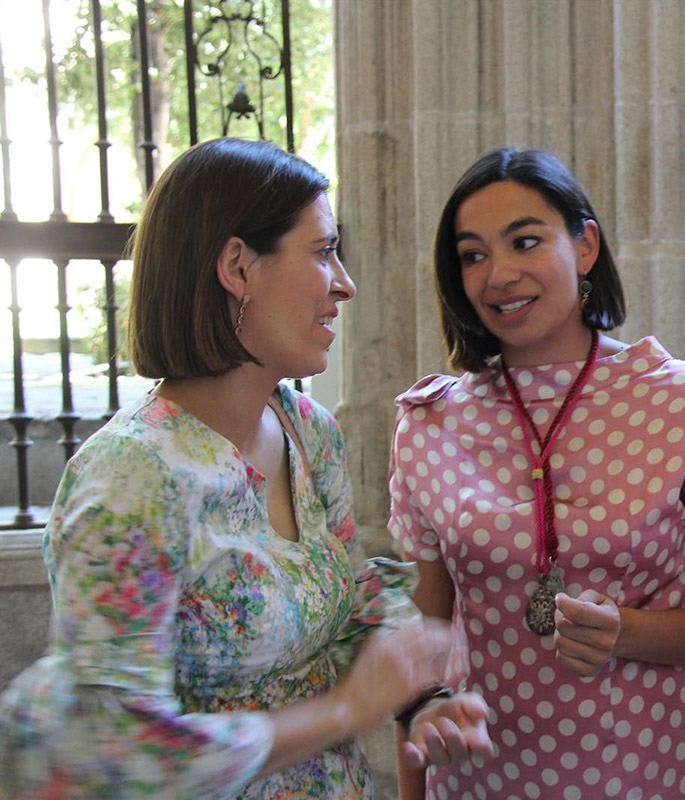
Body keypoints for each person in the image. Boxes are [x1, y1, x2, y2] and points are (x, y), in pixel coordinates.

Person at [0, 138, 493, 799]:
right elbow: (112, 749)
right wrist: (347, 710)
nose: (345, 283)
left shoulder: (307, 430)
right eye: (322, 252)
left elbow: (352, 598)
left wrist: (420, 695)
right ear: (237, 266)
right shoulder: (130, 479)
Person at [388, 146, 685, 800]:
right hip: (480, 782)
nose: (499, 274)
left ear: (586, 246)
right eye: (473, 255)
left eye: (526, 241)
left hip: (645, 776)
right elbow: (421, 647)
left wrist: (633, 632)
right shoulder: (429, 423)